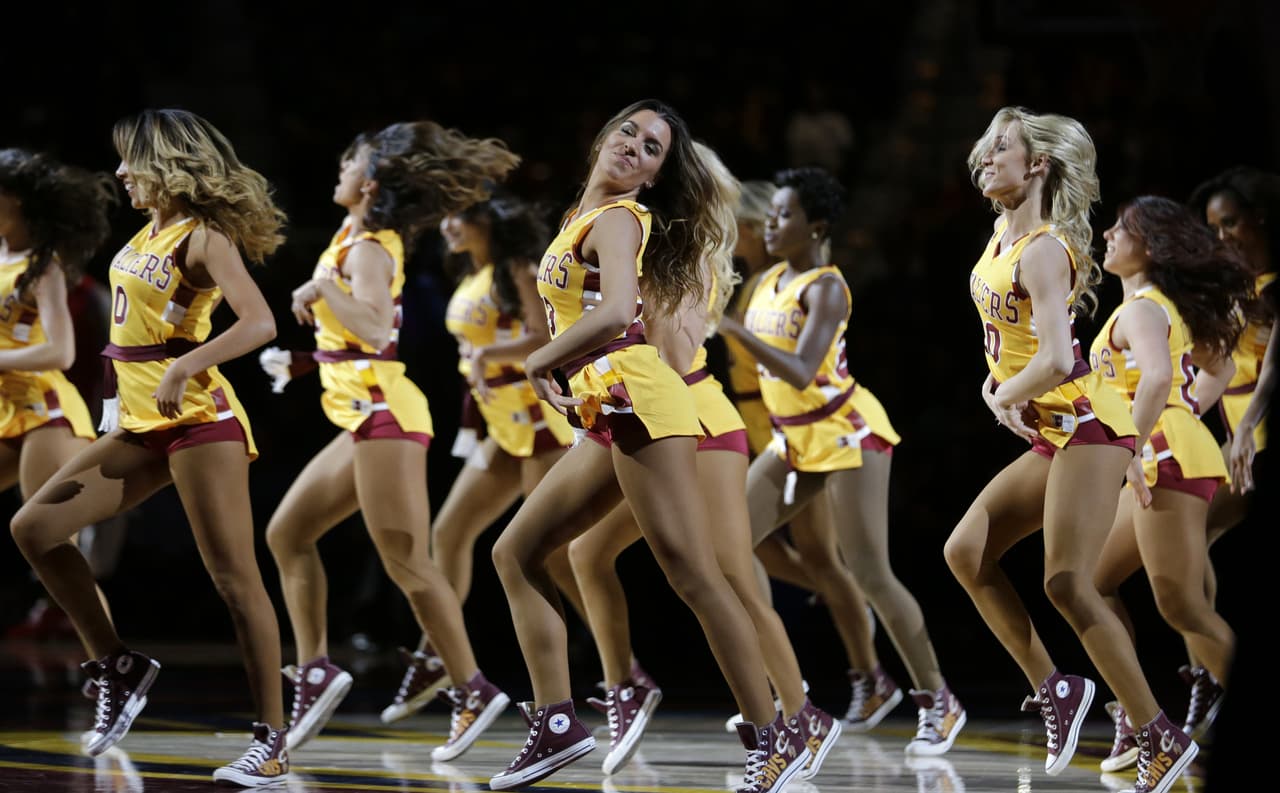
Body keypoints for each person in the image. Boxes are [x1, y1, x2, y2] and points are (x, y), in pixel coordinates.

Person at [487, 99, 811, 793]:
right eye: (628, 132)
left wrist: (541, 362)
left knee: (695, 574)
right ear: (603, 135)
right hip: (610, 404)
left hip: (639, 398)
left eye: (653, 148)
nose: (635, 147)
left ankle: (772, 735)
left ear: (658, 175)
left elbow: (611, 313)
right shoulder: (581, 216)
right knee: (516, 552)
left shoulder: (616, 219)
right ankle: (556, 722)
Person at [9, 108, 290, 787]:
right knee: (36, 528)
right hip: (137, 423)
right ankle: (116, 662)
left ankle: (272, 741)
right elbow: (125, 331)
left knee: (233, 578)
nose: (120, 171)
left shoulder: (204, 236)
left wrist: (186, 366)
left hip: (199, 421)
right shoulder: (148, 233)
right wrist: (118, 401)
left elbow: (259, 322)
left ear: (165, 162)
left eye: (130, 159)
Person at [566, 142, 843, 780]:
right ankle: (626, 685)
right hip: (660, 423)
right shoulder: (646, 247)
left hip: (697, 425)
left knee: (732, 580)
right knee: (587, 553)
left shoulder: (691, 262)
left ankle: (799, 716)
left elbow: (664, 358)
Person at [943, 106, 1196, 793]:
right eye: (988, 145)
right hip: (1057, 426)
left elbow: (1057, 356)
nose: (987, 157)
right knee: (965, 551)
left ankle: (1157, 730)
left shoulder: (1047, 248)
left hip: (1089, 421)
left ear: (1038, 166)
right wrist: (999, 380)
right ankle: (1055, 688)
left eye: (1004, 147)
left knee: (1066, 582)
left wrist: (1002, 395)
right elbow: (1018, 348)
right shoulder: (1001, 233)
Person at [259, 122, 517, 763]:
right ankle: (315, 669)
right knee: (287, 534)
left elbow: (374, 328)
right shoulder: (353, 238)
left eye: (349, 161)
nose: (339, 168)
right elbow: (359, 337)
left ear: (369, 181)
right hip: (361, 414)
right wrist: (308, 358)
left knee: (409, 564)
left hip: (386, 418)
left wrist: (322, 291)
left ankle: (471, 689)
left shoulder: (371, 245)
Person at [717, 166, 963, 757]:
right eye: (770, 214)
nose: (771, 224)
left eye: (784, 215)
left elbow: (801, 369)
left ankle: (937, 699)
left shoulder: (826, 287)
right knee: (725, 549)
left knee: (871, 571)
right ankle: (785, 699)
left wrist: (727, 326)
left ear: (817, 226)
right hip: (792, 437)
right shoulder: (770, 277)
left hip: (846, 433)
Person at [376, 195, 588, 725]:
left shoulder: (518, 268)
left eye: (457, 217)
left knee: (554, 559)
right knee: (449, 534)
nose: (446, 226)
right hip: (500, 428)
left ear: (486, 221)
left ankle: (622, 672)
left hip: (539, 424)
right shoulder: (476, 273)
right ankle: (437, 656)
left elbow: (545, 339)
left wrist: (488, 356)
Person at [1090, 196, 1257, 773]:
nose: (1108, 233)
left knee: (1181, 604)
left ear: (1151, 247)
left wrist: (1134, 445)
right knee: (1090, 583)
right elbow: (1221, 368)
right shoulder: (1156, 306)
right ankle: (1139, 720)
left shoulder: (1142, 308)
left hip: (1163, 457)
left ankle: (1151, 726)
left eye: (1122, 228)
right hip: (1164, 448)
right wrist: (1181, 411)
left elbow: (1159, 377)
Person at [723, 179, 889, 732]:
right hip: (758, 420)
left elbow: (797, 368)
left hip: (789, 425)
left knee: (819, 555)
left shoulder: (789, 285)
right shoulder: (760, 283)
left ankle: (863, 671)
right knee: (757, 551)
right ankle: (793, 674)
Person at [1176, 166, 1279, 738]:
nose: (1222, 237)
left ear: (1259, 217)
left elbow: (1271, 373)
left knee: (1187, 544)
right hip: (1237, 443)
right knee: (1185, 545)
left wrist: (1244, 430)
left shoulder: (1273, 288)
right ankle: (1205, 673)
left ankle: (1208, 674)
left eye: (1230, 223)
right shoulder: (1237, 290)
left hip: (1256, 444)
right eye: (1213, 228)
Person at [0, 149, 116, 647]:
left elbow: (61, 351)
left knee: (50, 544)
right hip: (7, 410)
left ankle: (112, 661)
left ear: (18, 202)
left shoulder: (42, 267)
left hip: (46, 411)